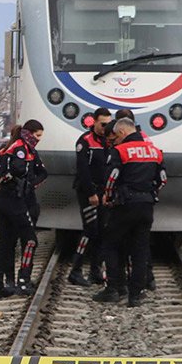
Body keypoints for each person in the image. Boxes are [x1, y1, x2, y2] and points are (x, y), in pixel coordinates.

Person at [93, 118, 166, 307]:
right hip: (146, 205)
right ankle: (136, 294)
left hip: (124, 205)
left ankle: (113, 289)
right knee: (140, 249)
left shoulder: (121, 151)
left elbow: (111, 178)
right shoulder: (155, 151)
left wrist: (107, 197)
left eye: (116, 136)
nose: (115, 141)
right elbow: (163, 179)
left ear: (123, 132)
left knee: (111, 244)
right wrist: (151, 193)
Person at [0, 120, 44, 299]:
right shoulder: (20, 149)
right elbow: (15, 170)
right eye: (37, 135)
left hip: (5, 199)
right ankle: (22, 280)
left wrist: (29, 183)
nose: (39, 140)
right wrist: (25, 182)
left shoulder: (12, 149)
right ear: (28, 133)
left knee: (5, 243)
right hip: (14, 200)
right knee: (30, 241)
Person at [67, 107, 112, 286]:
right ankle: (76, 270)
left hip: (104, 193)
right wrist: (92, 193)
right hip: (88, 192)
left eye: (109, 124)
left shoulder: (110, 141)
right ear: (94, 122)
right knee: (90, 230)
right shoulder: (85, 141)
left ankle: (95, 269)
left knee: (102, 231)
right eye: (103, 124)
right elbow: (83, 170)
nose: (105, 128)